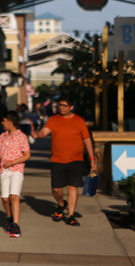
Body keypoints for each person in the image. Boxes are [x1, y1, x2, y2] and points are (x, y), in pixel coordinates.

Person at [32, 96, 97, 226]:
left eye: (64, 105)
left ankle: (71, 215)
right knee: (56, 189)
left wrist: (92, 159)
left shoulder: (79, 121)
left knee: (72, 187)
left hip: (75, 159)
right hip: (57, 159)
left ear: (71, 107)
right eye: (59, 105)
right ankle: (62, 204)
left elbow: (87, 139)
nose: (61, 107)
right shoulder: (53, 119)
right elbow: (44, 132)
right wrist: (37, 134)